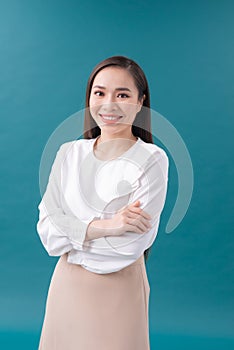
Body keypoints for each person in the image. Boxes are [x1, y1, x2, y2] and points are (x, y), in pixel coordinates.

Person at [37, 55, 169, 350]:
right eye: (100, 93)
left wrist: (72, 234)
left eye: (122, 94)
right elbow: (48, 232)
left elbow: (130, 247)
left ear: (140, 101)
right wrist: (108, 226)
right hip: (65, 286)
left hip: (119, 289)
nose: (109, 104)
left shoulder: (151, 160)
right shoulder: (68, 153)